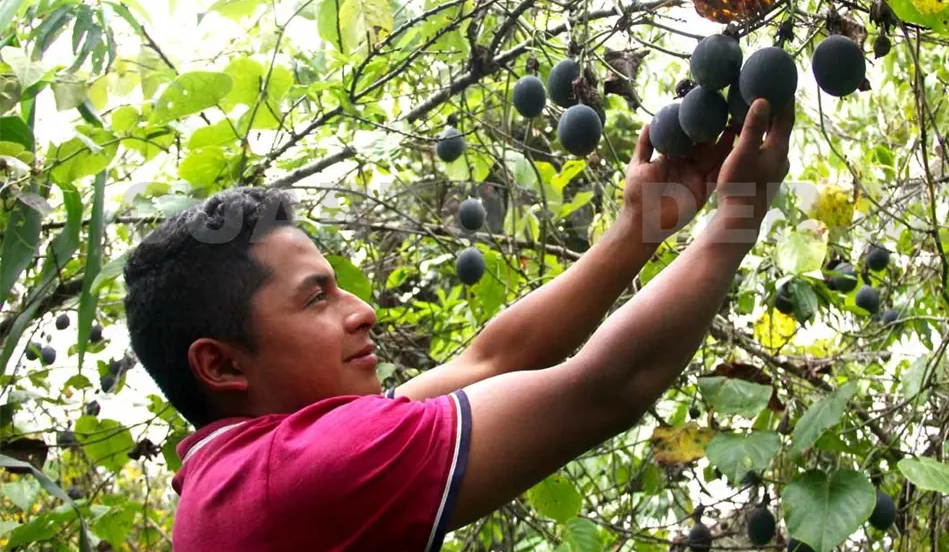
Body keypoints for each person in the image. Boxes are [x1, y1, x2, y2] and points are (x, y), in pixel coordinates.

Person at [122, 97, 792, 551]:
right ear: (223, 365)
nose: (363, 310)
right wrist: (737, 217)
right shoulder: (304, 476)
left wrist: (639, 227)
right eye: (316, 298)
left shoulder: (245, 472)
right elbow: (607, 386)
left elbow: (489, 360)